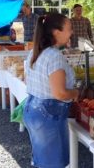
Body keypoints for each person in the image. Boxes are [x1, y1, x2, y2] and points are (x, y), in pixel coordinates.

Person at [23, 13, 80, 168]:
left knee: (42, 160)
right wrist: (75, 93)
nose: (72, 33)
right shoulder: (54, 56)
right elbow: (60, 93)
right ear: (56, 32)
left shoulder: (36, 52)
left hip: (33, 109)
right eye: (69, 29)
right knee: (53, 163)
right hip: (48, 114)